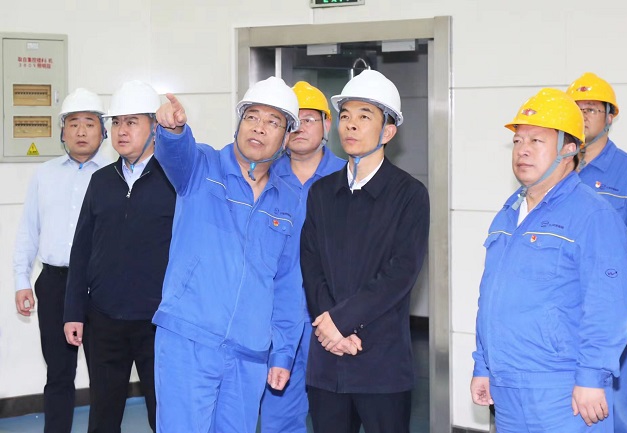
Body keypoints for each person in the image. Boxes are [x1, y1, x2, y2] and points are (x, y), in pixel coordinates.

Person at [470, 88, 627, 432]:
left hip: (564, 390)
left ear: (569, 148)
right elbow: (491, 298)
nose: (522, 150)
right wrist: (483, 365)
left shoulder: (593, 214)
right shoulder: (508, 213)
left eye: (536, 141)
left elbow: (608, 305)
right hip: (507, 384)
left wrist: (592, 377)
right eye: (518, 141)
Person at [153, 76, 304, 433]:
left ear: (286, 138)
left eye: (273, 122)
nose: (259, 127)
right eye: (252, 117)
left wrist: (282, 352)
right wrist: (172, 130)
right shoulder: (202, 166)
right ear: (239, 123)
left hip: (249, 354)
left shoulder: (290, 200)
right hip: (188, 340)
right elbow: (175, 153)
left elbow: (288, 284)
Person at [300, 69, 430, 433]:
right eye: (345, 116)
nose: (351, 125)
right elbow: (311, 264)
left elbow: (400, 274)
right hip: (327, 360)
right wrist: (330, 328)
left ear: (388, 131)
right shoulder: (321, 192)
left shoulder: (409, 195)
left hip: (381, 364)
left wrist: (340, 323)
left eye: (364, 116)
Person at [63, 80, 176, 433]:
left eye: (131, 122)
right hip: (104, 320)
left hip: (158, 323)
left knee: (165, 415)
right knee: (103, 416)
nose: (121, 131)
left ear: (154, 128)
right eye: (116, 122)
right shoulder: (101, 181)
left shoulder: (174, 181)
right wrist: (74, 312)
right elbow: (81, 249)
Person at [13, 88, 108, 433]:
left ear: (103, 131)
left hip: (100, 287)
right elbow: (29, 230)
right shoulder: (45, 174)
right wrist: (21, 280)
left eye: (90, 124)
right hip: (54, 284)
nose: (81, 131)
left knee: (105, 377)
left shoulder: (113, 176)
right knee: (58, 374)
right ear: (62, 131)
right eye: (73, 123)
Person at [259, 81, 346, 433]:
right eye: (292, 121)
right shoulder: (263, 176)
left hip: (332, 318)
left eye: (309, 120)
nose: (300, 129)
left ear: (327, 125)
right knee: (279, 417)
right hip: (275, 318)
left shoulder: (347, 178)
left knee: (335, 417)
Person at [567, 72, 627, 433]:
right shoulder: (558, 169)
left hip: (610, 310)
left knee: (612, 402)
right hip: (563, 306)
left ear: (610, 116)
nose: (583, 116)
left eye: (591, 109)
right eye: (576, 109)